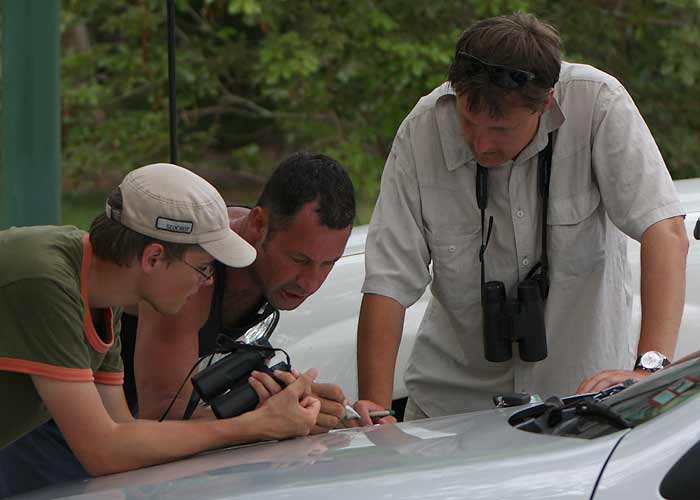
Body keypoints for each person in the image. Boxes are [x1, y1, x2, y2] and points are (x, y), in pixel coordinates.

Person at [354, 13, 689, 425]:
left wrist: (648, 371)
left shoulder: (598, 103)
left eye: (499, 128)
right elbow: (387, 281)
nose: (480, 143)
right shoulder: (421, 130)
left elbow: (666, 232)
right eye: (467, 122)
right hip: (452, 409)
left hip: (582, 403)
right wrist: (376, 412)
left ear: (545, 102)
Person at [0, 153, 356, 497]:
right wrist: (255, 424)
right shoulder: (45, 282)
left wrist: (273, 408)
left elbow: (124, 434)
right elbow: (102, 451)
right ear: (153, 257)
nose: (206, 282)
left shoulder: (105, 298)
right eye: (203, 267)